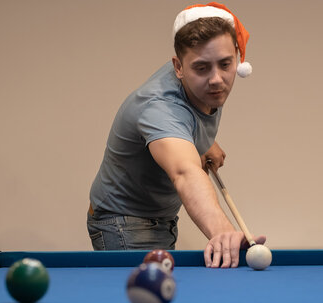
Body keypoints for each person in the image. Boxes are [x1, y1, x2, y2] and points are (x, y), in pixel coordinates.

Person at [87, 2, 265, 268]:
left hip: (162, 217)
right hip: (123, 221)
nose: (216, 79)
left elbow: (184, 122)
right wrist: (224, 232)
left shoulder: (201, 84)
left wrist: (204, 143)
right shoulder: (159, 107)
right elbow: (185, 172)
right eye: (202, 68)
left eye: (225, 64)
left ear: (237, 59)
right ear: (178, 67)